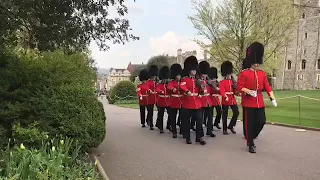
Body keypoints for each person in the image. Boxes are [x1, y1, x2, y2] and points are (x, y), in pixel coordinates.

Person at [237, 42, 277, 153]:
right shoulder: (244, 73)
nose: (257, 64)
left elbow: (267, 87)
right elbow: (239, 87)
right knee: (249, 124)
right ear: (251, 61)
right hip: (249, 102)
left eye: (258, 62)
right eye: (255, 62)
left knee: (261, 121)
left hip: (259, 101)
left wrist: (272, 98)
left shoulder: (262, 74)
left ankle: (251, 136)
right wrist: (249, 91)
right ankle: (251, 144)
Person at [180, 56, 206, 145]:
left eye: (195, 70)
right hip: (187, 103)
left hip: (197, 103)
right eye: (192, 70)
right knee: (187, 121)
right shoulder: (185, 79)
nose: (194, 71)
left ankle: (199, 137)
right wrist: (187, 91)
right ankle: (187, 137)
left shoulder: (197, 80)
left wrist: (202, 90)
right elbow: (182, 86)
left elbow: (201, 91)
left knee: (199, 120)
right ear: (189, 70)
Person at [219, 61, 239, 135]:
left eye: (229, 74)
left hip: (232, 99)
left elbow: (235, 90)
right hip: (226, 100)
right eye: (227, 74)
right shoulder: (222, 82)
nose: (229, 75)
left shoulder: (233, 82)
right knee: (225, 115)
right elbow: (222, 90)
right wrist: (225, 96)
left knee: (236, 112)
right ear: (225, 74)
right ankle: (224, 129)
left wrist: (237, 91)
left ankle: (231, 126)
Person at [198, 61, 216, 137]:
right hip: (201, 101)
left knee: (210, 117)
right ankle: (200, 132)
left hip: (208, 101)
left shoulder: (208, 81)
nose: (205, 76)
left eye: (206, 74)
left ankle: (209, 130)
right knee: (200, 119)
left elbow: (213, 90)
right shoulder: (198, 81)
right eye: (203, 74)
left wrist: (212, 84)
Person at [167, 63, 183, 138]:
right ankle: (174, 131)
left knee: (182, 116)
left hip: (181, 101)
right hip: (173, 101)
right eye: (177, 75)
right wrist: (173, 89)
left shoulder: (182, 82)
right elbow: (169, 87)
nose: (179, 77)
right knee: (173, 117)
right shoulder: (171, 82)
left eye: (179, 75)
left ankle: (182, 129)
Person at [156, 66, 171, 134]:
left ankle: (168, 125)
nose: (164, 80)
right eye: (164, 79)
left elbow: (170, 89)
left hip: (168, 101)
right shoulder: (159, 84)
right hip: (161, 101)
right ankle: (161, 128)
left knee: (170, 114)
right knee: (160, 115)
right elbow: (157, 89)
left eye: (166, 79)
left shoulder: (168, 84)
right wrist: (160, 91)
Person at [146, 65, 158, 130]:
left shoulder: (155, 82)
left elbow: (157, 88)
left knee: (152, 111)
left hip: (155, 98)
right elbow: (147, 88)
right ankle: (151, 124)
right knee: (150, 111)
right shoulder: (148, 82)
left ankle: (148, 120)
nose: (154, 77)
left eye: (155, 76)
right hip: (150, 98)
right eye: (153, 76)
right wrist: (150, 90)